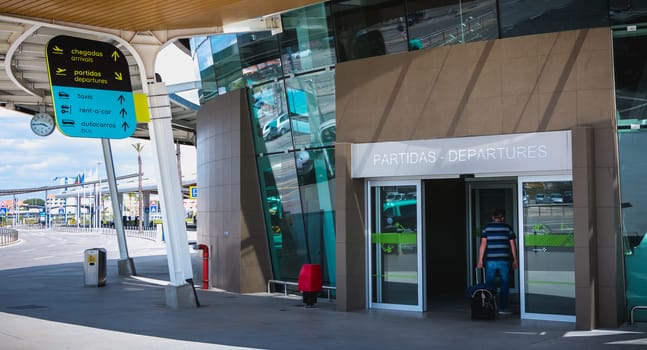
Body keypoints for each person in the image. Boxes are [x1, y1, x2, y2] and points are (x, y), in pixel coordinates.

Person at [477, 208, 518, 315]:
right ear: (502, 218)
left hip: (491, 260)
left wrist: (480, 260)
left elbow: (483, 244)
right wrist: (515, 259)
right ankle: (503, 308)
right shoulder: (507, 228)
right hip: (504, 260)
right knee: (504, 284)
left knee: (489, 284)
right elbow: (513, 244)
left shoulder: (486, 228)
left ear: (493, 217)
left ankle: (489, 306)